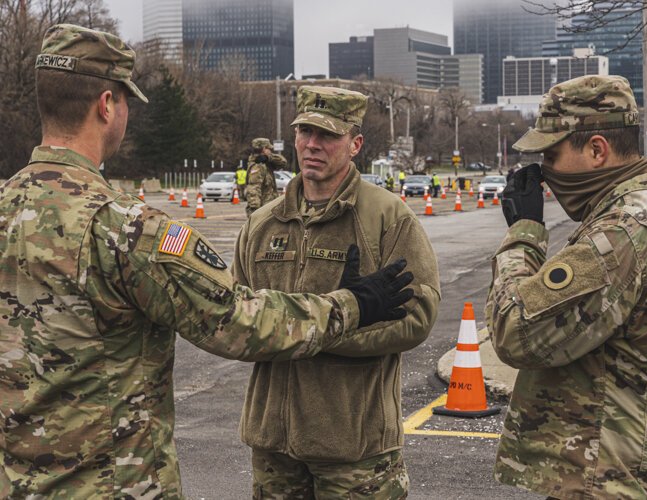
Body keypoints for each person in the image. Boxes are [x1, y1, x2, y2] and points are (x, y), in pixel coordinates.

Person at [0, 25, 415, 498]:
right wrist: (352, 306)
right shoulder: (127, 229)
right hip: (111, 484)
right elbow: (237, 320)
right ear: (107, 105)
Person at [485, 75, 647, 499]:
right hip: (638, 475)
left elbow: (515, 332)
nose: (544, 173)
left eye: (551, 155)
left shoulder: (622, 235)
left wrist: (524, 233)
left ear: (596, 149)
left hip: (613, 482)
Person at [233, 85, 441, 498]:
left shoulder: (385, 217)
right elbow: (236, 318)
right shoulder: (263, 222)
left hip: (354, 446)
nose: (312, 144)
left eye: (327, 135)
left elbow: (417, 316)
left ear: (355, 144)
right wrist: (336, 319)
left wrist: (313, 334)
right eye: (304, 131)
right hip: (273, 445)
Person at [245, 137, 287, 217]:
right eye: (269, 149)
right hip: (263, 211)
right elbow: (253, 189)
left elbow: (283, 162)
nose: (270, 151)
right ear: (264, 149)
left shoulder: (266, 162)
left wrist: (269, 157)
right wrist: (256, 212)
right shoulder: (258, 166)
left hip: (269, 208)